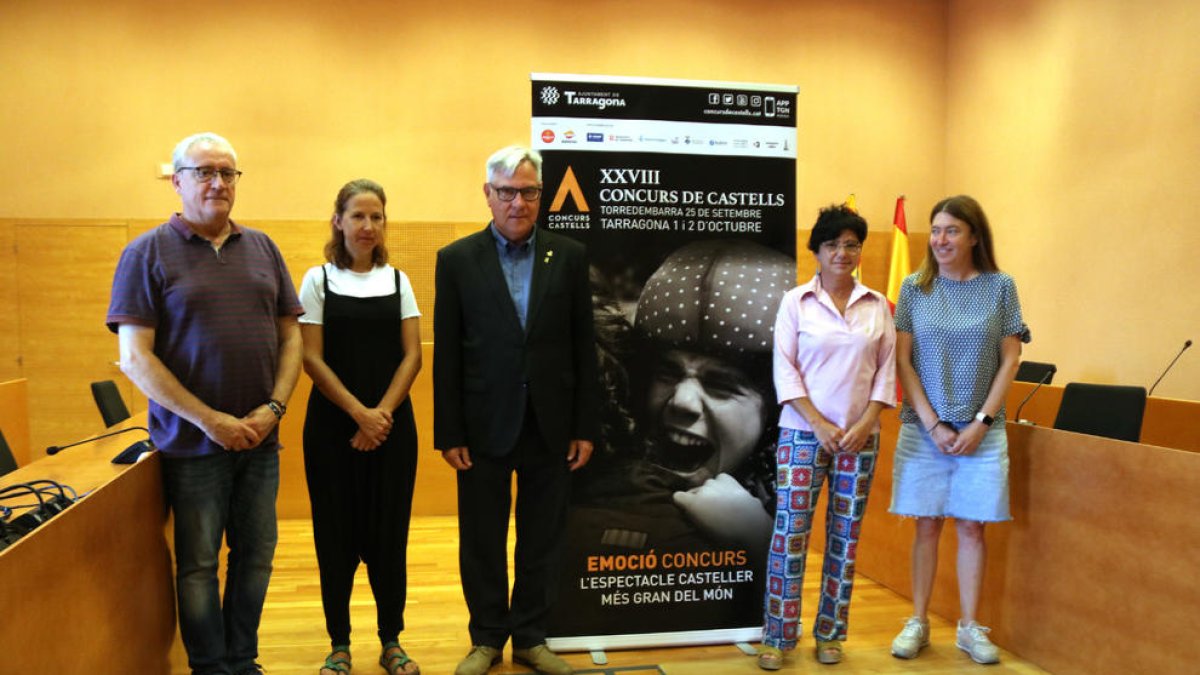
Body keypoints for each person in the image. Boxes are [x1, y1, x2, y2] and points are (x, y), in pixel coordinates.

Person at [106, 132, 303, 675]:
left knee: (256, 558)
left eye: (227, 173)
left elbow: (292, 337)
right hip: (192, 448)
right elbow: (136, 358)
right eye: (203, 172)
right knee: (196, 565)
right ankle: (210, 668)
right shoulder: (145, 252)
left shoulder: (263, 247)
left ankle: (243, 661)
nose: (218, 183)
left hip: (262, 441)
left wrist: (274, 410)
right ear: (178, 181)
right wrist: (210, 420)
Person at [433, 145, 599, 675]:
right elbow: (449, 352)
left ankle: (531, 637)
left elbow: (582, 346)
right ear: (488, 195)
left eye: (528, 192)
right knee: (481, 537)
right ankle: (486, 638)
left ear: (541, 195)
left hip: (550, 424)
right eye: (507, 192)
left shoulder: (569, 256)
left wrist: (583, 425)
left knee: (542, 537)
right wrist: (449, 430)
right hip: (483, 425)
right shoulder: (456, 260)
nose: (518, 202)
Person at [888, 195, 1029, 665]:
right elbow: (903, 360)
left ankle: (969, 628)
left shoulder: (1000, 286)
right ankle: (919, 621)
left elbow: (1011, 357)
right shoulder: (914, 287)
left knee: (972, 528)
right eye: (935, 230)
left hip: (982, 431)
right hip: (924, 428)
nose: (941, 239)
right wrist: (932, 422)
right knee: (927, 525)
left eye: (951, 230)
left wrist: (981, 422)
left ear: (974, 236)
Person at [757, 205, 896, 670]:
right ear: (816, 250)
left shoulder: (878, 305)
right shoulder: (795, 302)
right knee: (790, 533)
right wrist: (818, 423)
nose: (842, 252)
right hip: (802, 433)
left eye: (851, 244)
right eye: (832, 244)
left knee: (845, 537)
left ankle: (832, 633)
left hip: (860, 438)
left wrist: (864, 424)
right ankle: (778, 636)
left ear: (860, 250)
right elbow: (785, 368)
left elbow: (886, 373)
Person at [298, 180, 422, 675]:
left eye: (376, 217)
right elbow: (310, 357)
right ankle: (339, 645)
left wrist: (380, 417)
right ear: (338, 221)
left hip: (392, 431)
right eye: (358, 216)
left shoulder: (398, 281)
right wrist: (359, 414)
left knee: (389, 537)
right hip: (332, 430)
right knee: (336, 537)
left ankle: (392, 640)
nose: (368, 226)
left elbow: (412, 356)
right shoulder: (317, 279)